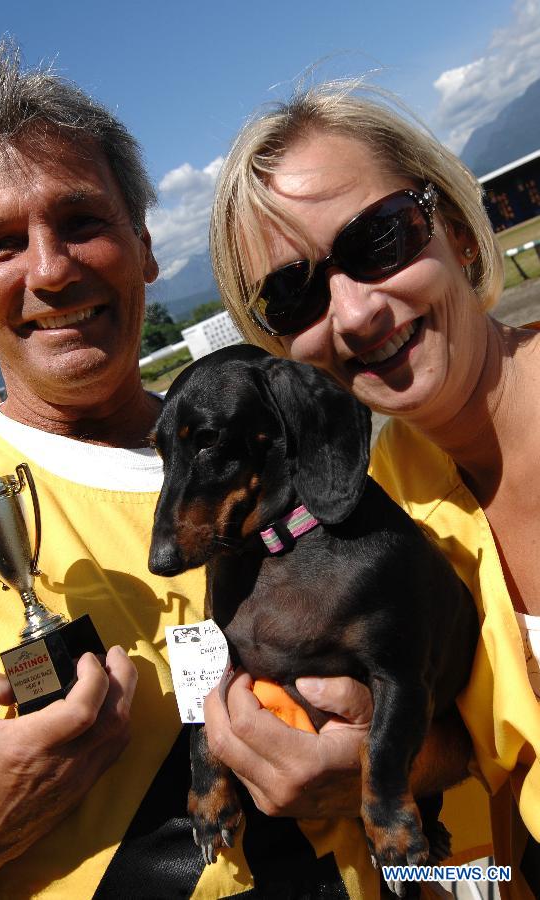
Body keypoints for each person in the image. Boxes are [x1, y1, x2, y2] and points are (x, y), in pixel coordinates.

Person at [0, 43, 412, 900]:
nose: (52, 269)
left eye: (83, 221)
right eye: (2, 245)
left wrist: (402, 763)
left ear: (144, 244)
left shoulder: (313, 455)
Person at [207, 83, 540, 899]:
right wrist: (386, 762)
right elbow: (477, 807)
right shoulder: (364, 507)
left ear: (456, 230)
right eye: (293, 295)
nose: (352, 313)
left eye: (379, 239)